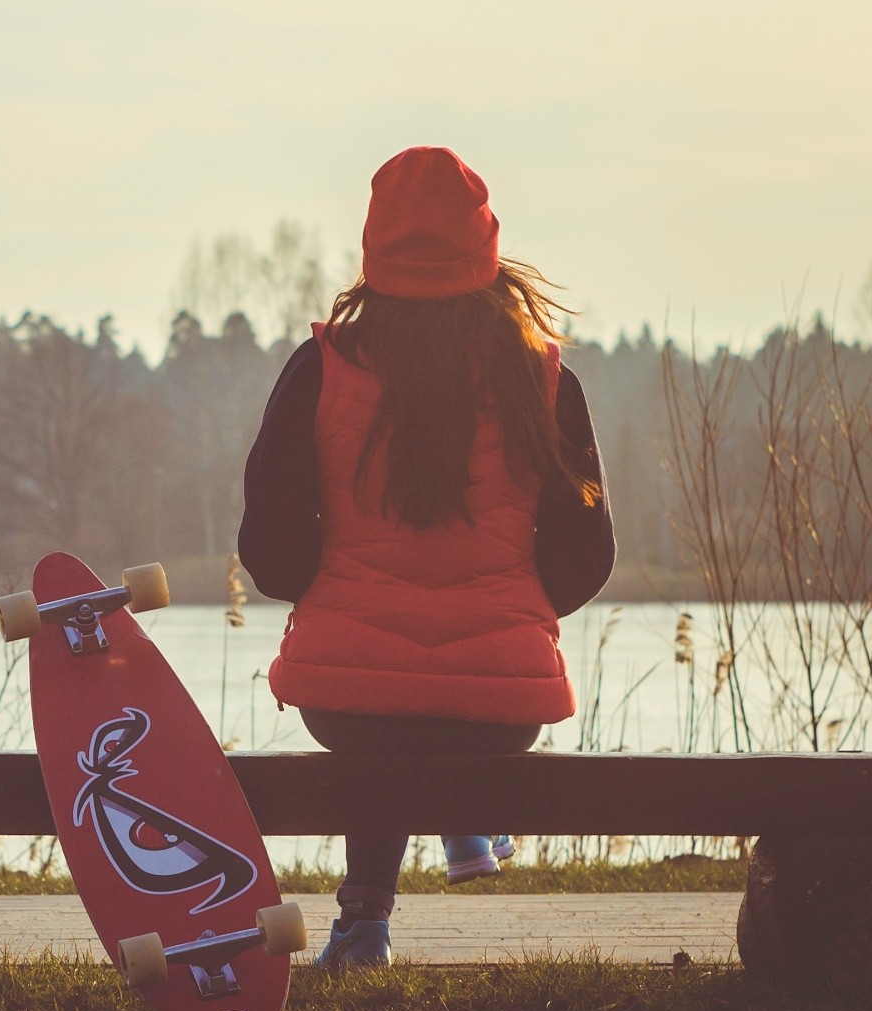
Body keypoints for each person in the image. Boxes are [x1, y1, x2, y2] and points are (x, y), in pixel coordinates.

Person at [238, 146, 615, 968]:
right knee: (437, 710)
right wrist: (507, 610)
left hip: (345, 696)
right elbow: (589, 559)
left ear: (375, 256)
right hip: (501, 703)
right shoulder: (545, 382)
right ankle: (465, 815)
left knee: (389, 715)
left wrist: (332, 586)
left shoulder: (320, 371)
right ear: (486, 255)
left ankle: (366, 923)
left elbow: (269, 556)